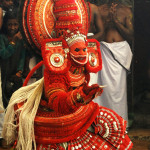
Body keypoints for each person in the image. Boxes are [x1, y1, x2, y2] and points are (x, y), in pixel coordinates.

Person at [2, 0, 133, 149]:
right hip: (58, 118)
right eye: (78, 51)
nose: (83, 54)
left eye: (84, 50)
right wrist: (79, 96)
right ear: (65, 52)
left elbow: (82, 87)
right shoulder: (57, 67)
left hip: (79, 113)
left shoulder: (82, 66)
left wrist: (87, 94)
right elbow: (57, 100)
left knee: (110, 123)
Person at [94, 0, 133, 125]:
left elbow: (131, 35)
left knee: (118, 91)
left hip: (119, 53)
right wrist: (106, 23)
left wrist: (116, 22)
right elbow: (96, 33)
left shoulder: (126, 10)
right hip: (103, 52)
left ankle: (119, 124)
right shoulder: (99, 10)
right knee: (102, 89)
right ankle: (103, 124)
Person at [0, 10, 26, 108]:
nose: (12, 27)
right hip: (4, 74)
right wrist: (13, 42)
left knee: (17, 101)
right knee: (4, 100)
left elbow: (22, 56)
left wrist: (19, 71)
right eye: (9, 24)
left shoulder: (20, 38)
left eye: (15, 24)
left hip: (15, 75)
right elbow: (4, 54)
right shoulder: (2, 38)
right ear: (5, 24)